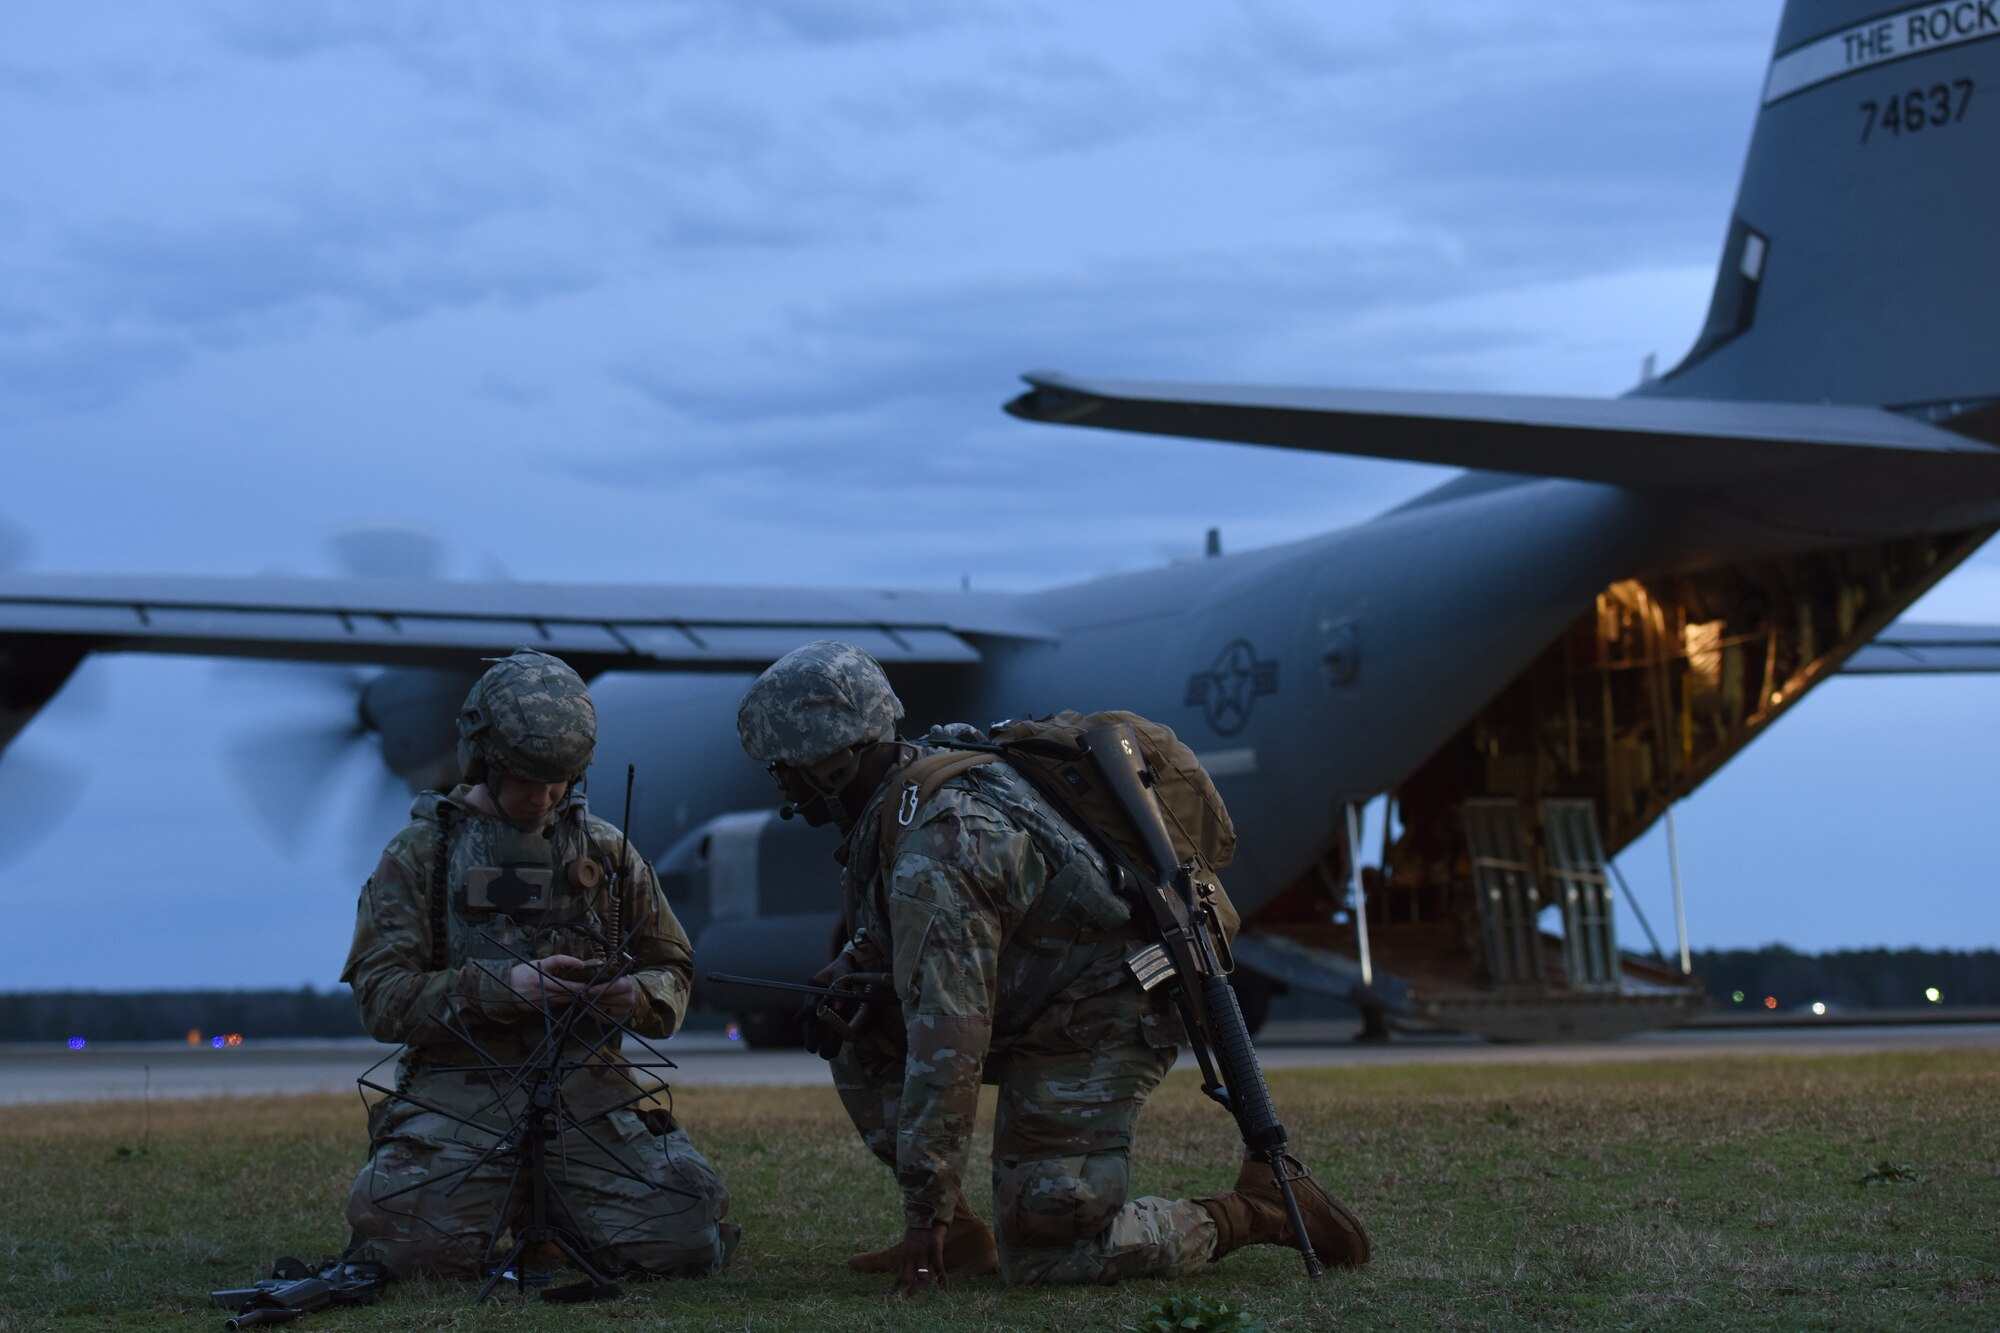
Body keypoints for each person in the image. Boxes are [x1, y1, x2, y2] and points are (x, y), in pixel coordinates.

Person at [736, 639, 1368, 1292]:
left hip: (1101, 1014)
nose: (779, 781)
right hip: (1042, 1000)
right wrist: (857, 964)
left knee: (1052, 1252)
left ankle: (1256, 1209)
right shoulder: (910, 790)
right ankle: (962, 1237)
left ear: (832, 760)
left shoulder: (945, 841)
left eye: (785, 765)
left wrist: (922, 1210)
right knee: (854, 1021)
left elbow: (948, 1036)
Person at [343, 649, 737, 1279]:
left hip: (587, 1088)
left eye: (561, 781)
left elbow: (673, 967)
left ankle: (560, 1206)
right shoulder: (419, 854)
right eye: (528, 780)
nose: (544, 797)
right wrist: (505, 987)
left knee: (685, 1246)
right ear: (483, 760)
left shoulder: (606, 850)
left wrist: (633, 994)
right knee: (410, 1257)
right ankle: (523, 1200)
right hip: (460, 1091)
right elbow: (381, 998)